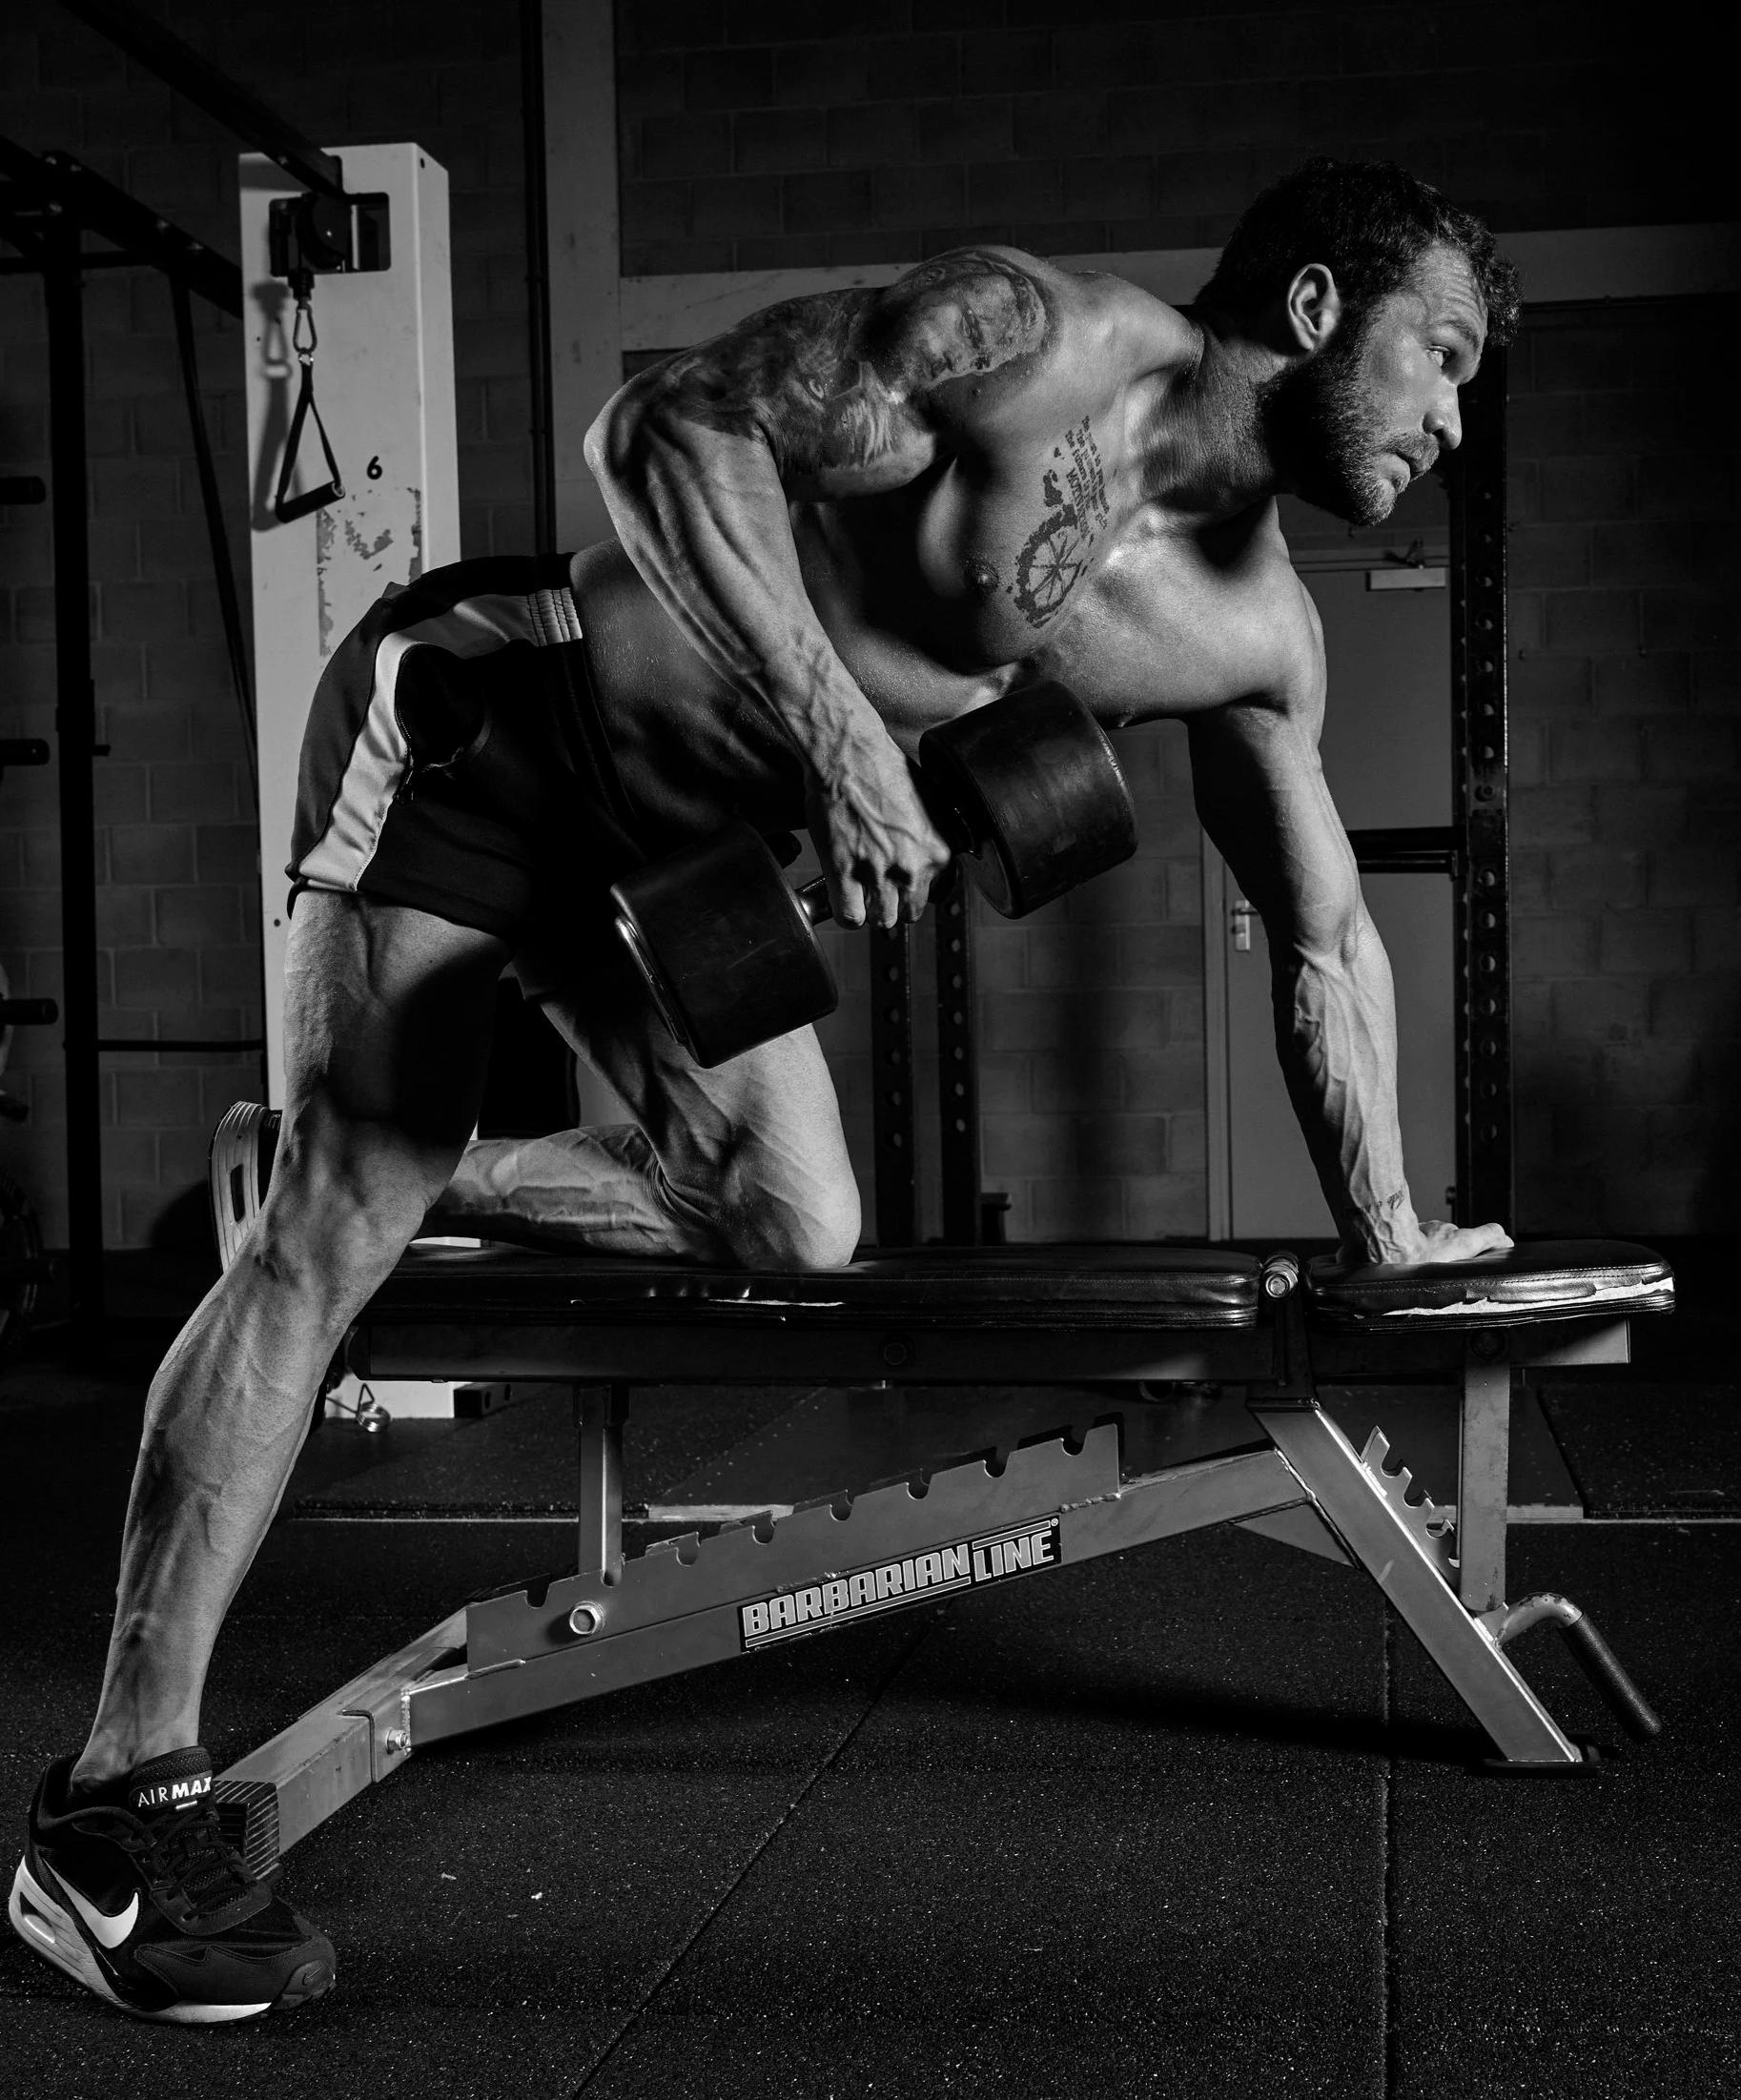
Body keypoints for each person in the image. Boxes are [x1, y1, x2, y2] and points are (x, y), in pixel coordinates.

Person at [12, 156, 1518, 2022]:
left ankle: (378, 1161)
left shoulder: (1256, 638)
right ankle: (112, 1810)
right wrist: (841, 739)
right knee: (329, 1244)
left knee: (796, 1225)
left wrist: (1392, 1229)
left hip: (682, 871)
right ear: (1313, 308)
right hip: (505, 722)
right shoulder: (1034, 341)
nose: (1452, 421)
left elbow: (1325, 938)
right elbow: (666, 430)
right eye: (1442, 357)